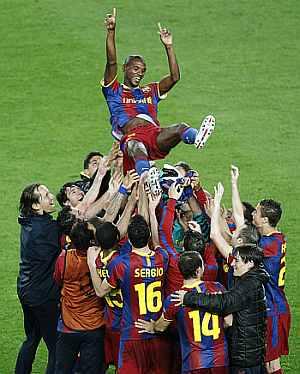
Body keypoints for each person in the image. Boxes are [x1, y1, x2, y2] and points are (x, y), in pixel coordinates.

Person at [101, 8, 215, 174]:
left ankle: (197, 138)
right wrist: (111, 31)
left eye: (143, 70)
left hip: (154, 135)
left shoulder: (151, 90)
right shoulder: (114, 90)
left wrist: (169, 46)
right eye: (136, 69)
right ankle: (148, 177)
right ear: (125, 68)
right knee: (137, 147)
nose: (140, 73)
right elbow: (111, 62)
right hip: (132, 136)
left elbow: (175, 77)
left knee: (180, 128)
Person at [88, 214, 170, 374]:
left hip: (133, 332)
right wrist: (152, 212)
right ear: (149, 237)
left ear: (129, 240)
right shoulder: (162, 257)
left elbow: (100, 291)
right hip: (158, 330)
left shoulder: (121, 264)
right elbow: (158, 243)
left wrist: (92, 264)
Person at [172, 245, 269, 374]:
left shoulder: (249, 284)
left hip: (245, 358)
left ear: (250, 263)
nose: (233, 263)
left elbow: (224, 302)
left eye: (237, 260)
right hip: (249, 353)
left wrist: (188, 297)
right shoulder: (251, 279)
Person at [135, 251, 230, 374]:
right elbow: (228, 321)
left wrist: (152, 326)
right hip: (220, 359)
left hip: (194, 362)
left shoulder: (174, 299)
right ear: (199, 270)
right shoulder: (218, 288)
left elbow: (161, 327)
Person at [15, 184, 61, 374]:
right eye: (45, 195)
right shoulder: (45, 229)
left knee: (32, 338)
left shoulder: (28, 222)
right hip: (43, 296)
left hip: (26, 290)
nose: (51, 196)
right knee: (56, 347)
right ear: (35, 206)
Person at [53, 221, 106, 374]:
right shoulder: (101, 259)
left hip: (68, 326)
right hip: (94, 325)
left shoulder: (64, 258)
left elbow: (57, 280)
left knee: (62, 370)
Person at [252, 200, 291, 374]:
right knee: (266, 362)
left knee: (271, 365)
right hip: (276, 306)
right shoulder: (276, 238)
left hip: (273, 310)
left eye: (256, 212)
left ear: (265, 220)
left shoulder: (268, 244)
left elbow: (239, 250)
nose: (253, 213)